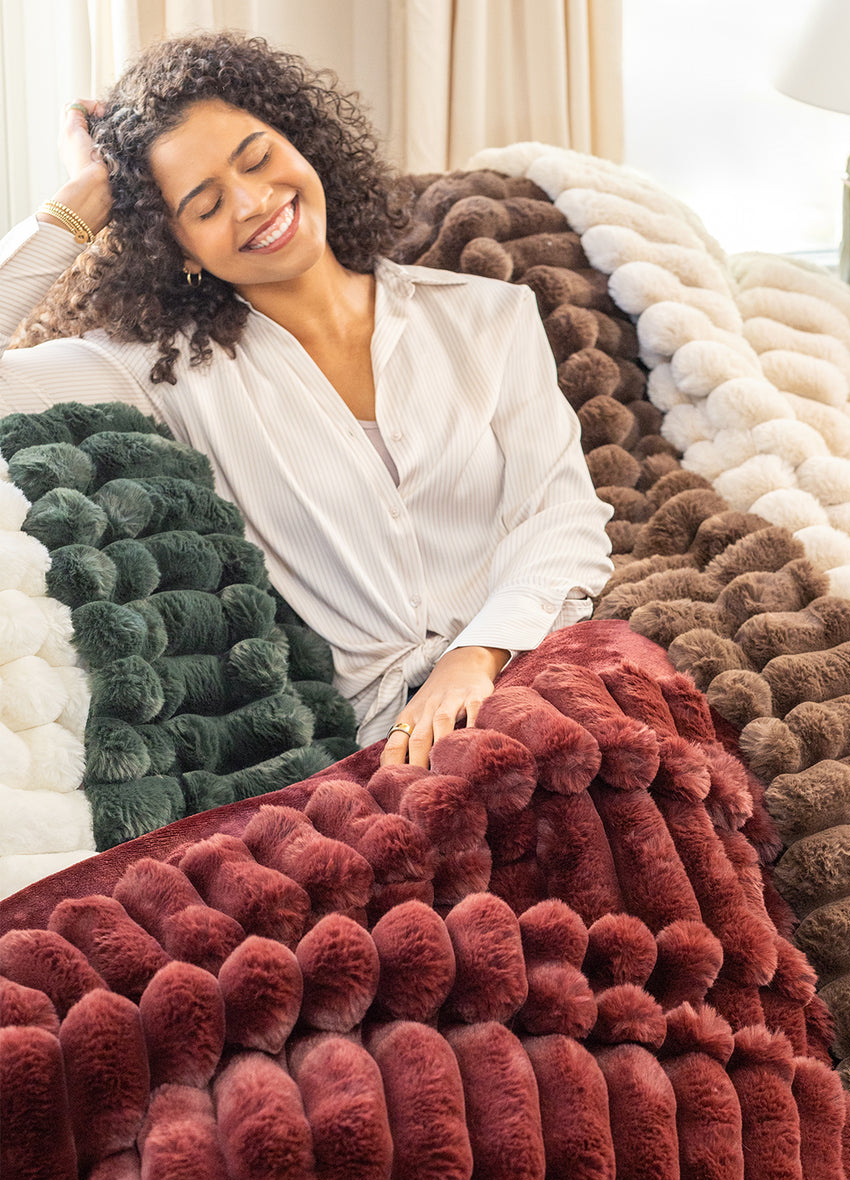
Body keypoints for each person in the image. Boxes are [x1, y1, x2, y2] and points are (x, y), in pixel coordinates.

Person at [0, 30, 614, 769]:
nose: (256, 202)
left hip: (544, 666)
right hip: (378, 752)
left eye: (258, 158)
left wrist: (473, 658)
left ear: (302, 143)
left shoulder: (489, 316)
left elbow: (564, 516)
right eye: (204, 203)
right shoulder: (163, 372)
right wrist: (80, 203)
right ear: (180, 247)